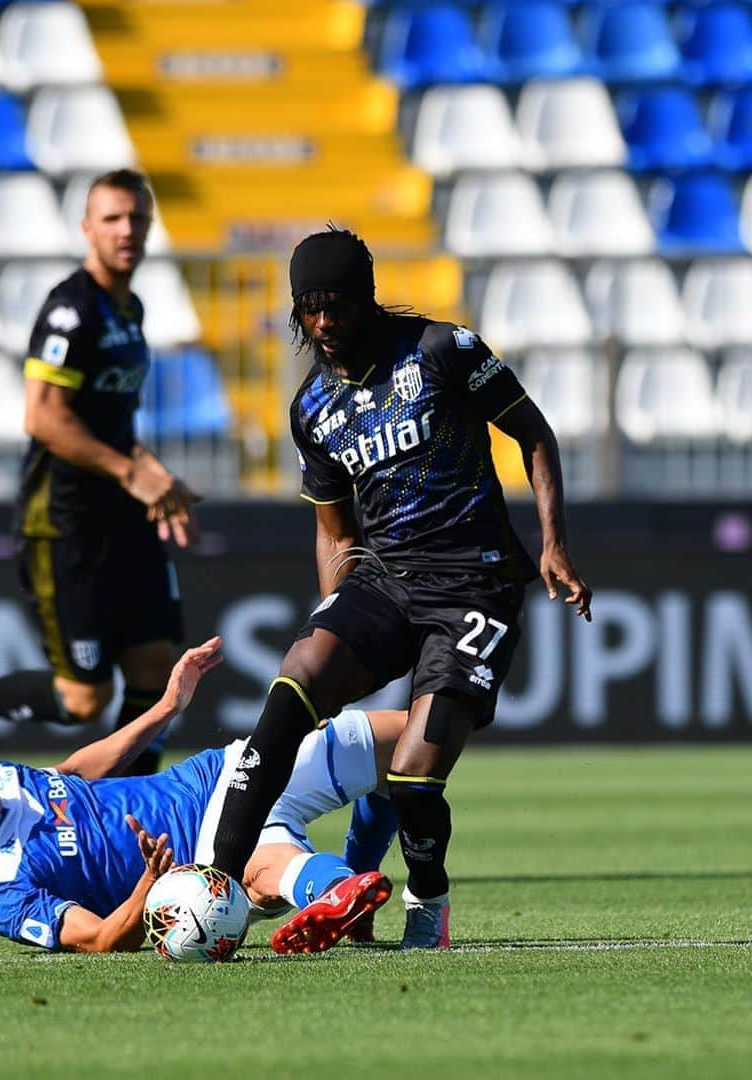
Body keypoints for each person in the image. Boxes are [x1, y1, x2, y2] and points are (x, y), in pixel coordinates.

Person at [208, 227, 593, 951]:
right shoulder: (312, 408)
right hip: (385, 580)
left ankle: (428, 901)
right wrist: (333, 611)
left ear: (366, 299)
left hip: (475, 583)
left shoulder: (443, 352)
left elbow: (534, 434)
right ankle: (217, 886)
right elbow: (334, 530)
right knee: (292, 689)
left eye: (337, 306)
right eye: (309, 308)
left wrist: (555, 546)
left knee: (415, 774)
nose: (323, 323)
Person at [0, 636, 406, 955]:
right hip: (198, 868)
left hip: (214, 774)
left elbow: (76, 769)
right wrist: (150, 882)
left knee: (410, 742)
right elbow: (102, 939)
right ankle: (336, 886)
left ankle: (349, 887)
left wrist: (166, 707)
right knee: (262, 870)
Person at [0, 168, 198, 776]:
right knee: (83, 701)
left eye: (137, 218)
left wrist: (156, 478)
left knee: (154, 666)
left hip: (125, 518)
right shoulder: (71, 310)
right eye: (113, 218)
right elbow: (42, 417)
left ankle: (130, 819)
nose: (126, 230)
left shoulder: (132, 309)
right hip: (65, 522)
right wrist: (130, 470)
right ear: (87, 228)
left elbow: (114, 425)